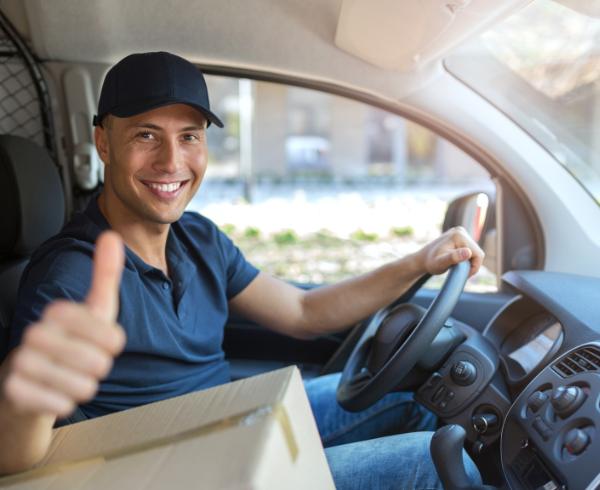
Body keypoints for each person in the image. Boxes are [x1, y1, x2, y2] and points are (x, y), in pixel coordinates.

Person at [0, 52, 483, 488]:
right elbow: (14, 455)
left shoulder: (199, 239)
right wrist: (31, 398)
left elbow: (303, 310)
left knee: (415, 399)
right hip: (182, 475)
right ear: (103, 142)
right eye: (146, 135)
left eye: (188, 137)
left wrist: (421, 261)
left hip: (230, 423)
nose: (171, 161)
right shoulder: (70, 276)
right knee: (433, 463)